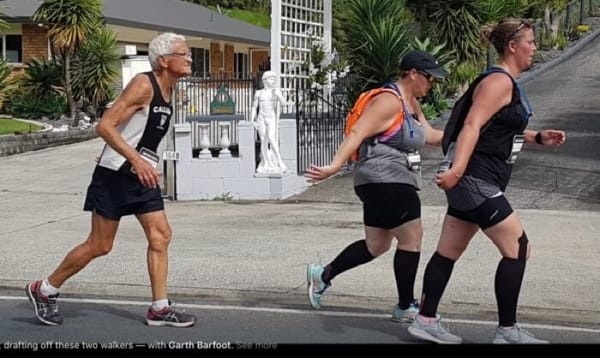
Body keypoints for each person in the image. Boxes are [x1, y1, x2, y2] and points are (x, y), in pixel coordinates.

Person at [408, 19, 566, 344]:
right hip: (476, 179)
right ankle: (507, 331)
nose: (534, 48)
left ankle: (425, 319)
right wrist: (457, 170)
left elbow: (500, 128)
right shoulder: (499, 82)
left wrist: (537, 136)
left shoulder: (504, 82)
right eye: (531, 42)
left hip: (471, 180)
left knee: (448, 251)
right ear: (512, 46)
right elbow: (472, 125)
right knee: (518, 247)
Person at [25, 32, 196, 328]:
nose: (190, 58)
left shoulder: (171, 91)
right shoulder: (144, 85)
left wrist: (147, 163)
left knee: (161, 236)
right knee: (100, 245)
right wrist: (135, 159)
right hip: (116, 174)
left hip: (141, 175)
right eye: (184, 54)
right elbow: (105, 126)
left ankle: (159, 307)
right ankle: (44, 289)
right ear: (165, 60)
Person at [305, 50, 447, 322]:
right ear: (413, 73)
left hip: (387, 180)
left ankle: (322, 275)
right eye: (430, 78)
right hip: (384, 178)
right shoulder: (388, 101)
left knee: (377, 244)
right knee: (412, 236)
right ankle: (406, 305)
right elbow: (358, 132)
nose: (432, 85)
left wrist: (467, 135)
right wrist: (335, 165)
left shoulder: (411, 104)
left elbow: (429, 135)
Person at [250, 71, 289, 173]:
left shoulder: (275, 91)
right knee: (263, 141)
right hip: (261, 118)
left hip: (271, 117)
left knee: (272, 138)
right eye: (271, 79)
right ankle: (266, 162)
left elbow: (284, 104)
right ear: (265, 80)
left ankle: (279, 161)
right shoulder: (259, 93)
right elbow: (254, 107)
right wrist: (252, 120)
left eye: (274, 79)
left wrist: (279, 96)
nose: (273, 81)